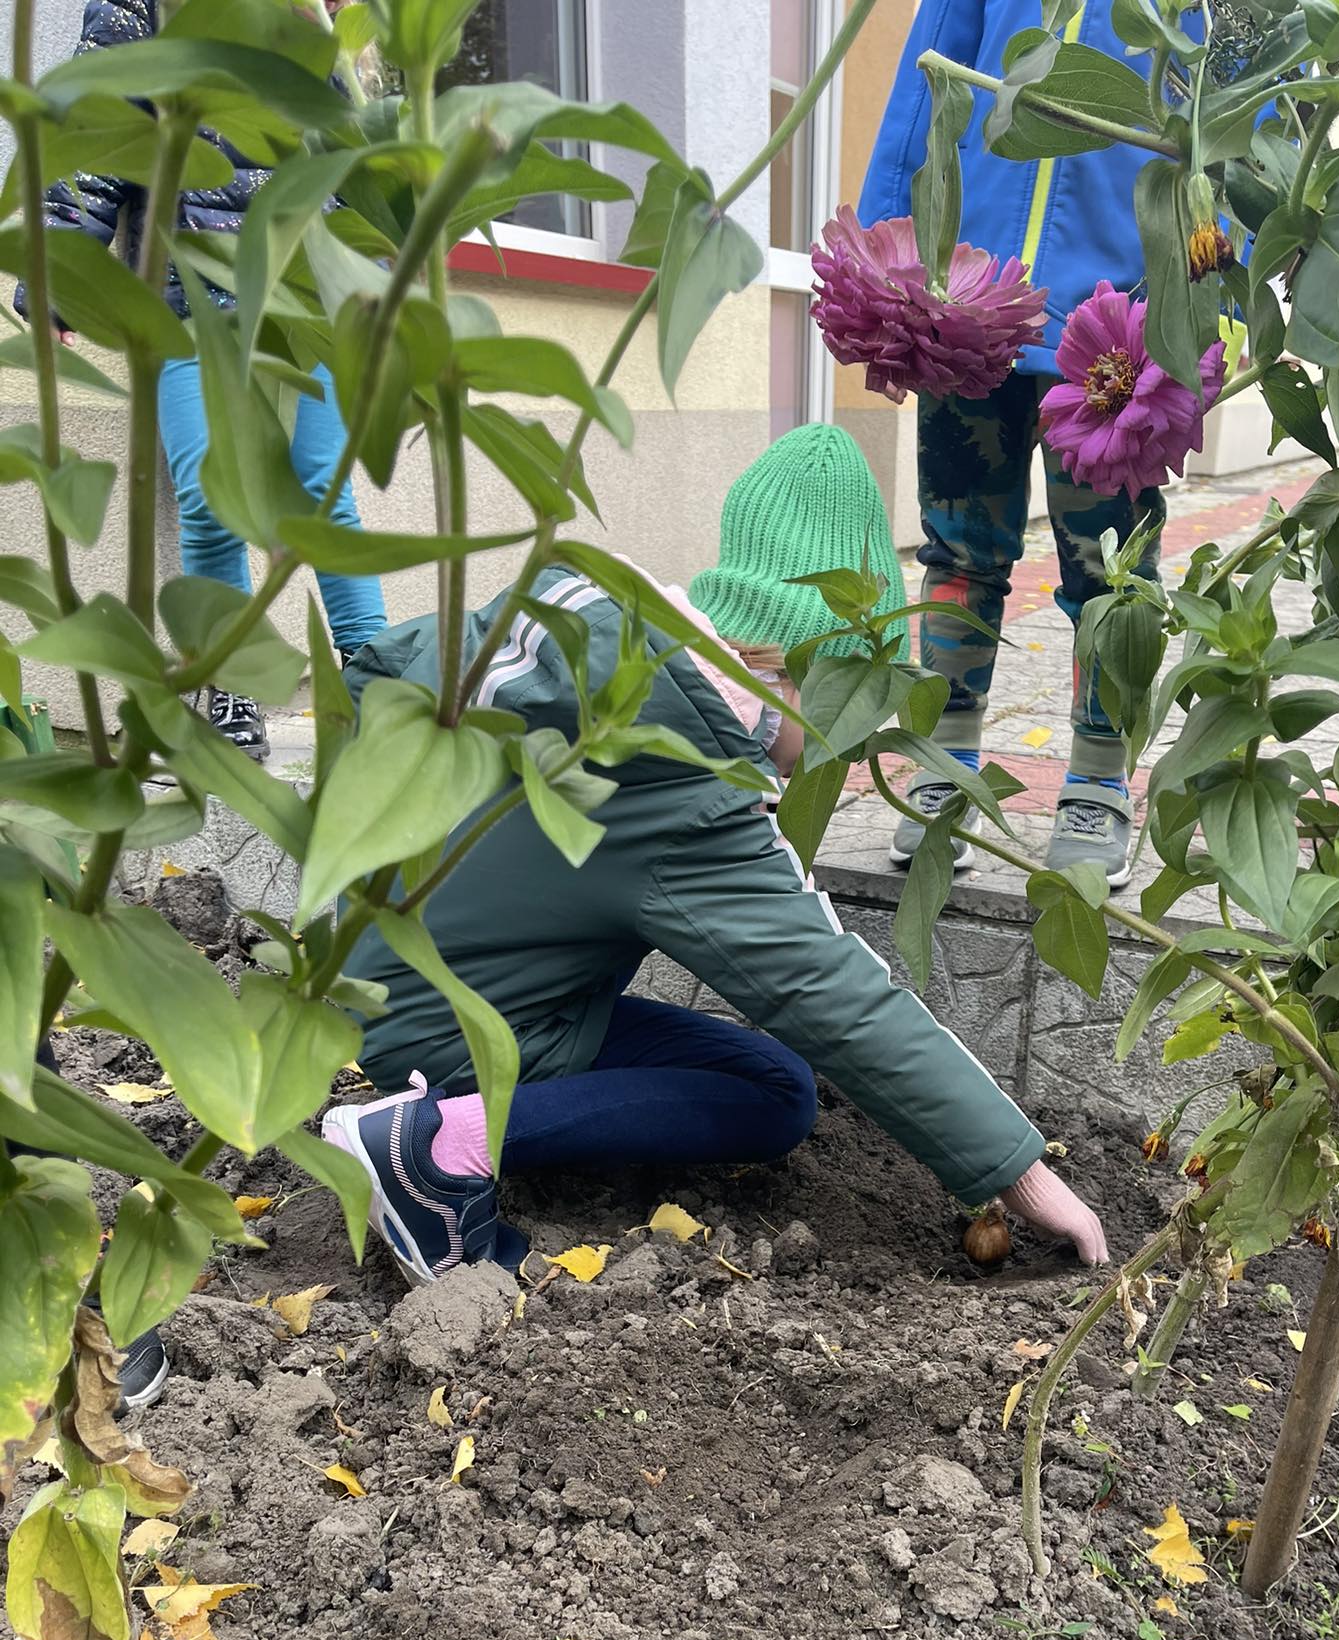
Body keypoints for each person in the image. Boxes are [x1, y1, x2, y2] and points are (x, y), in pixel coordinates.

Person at [322, 426, 1108, 1284]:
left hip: (395, 984)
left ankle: (440, 1119)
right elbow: (827, 990)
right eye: (851, 708)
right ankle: (435, 1147)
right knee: (776, 1097)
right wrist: (1019, 1172)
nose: (846, 747)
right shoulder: (680, 771)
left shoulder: (608, 655)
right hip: (452, 1034)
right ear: (817, 675)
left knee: (762, 1069)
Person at [17, 0, 387, 762]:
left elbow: (362, 166)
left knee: (323, 488)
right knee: (208, 492)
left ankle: (378, 676)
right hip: (189, 289)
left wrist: (381, 289)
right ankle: (229, 683)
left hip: (311, 288)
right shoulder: (151, 6)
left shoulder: (329, 17)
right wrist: (57, 271)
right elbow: (98, 121)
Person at [860, 0, 1168, 889]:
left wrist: (1224, 268)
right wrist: (887, 240)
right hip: (969, 297)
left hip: (1120, 316)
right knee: (958, 551)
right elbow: (929, 70)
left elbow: (1237, 105)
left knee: (1114, 573)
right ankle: (944, 764)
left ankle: (1099, 780)